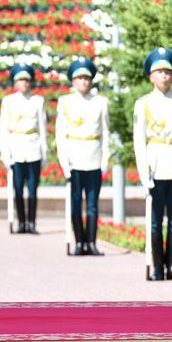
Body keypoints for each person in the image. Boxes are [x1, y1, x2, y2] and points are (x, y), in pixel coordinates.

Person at [133, 47, 172, 281]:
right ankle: (158, 266)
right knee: (156, 220)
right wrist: (143, 173)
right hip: (156, 165)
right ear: (151, 76)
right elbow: (140, 141)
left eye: (167, 72)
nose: (164, 76)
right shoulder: (144, 104)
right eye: (159, 72)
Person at [56, 56, 111, 256]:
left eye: (86, 78)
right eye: (79, 78)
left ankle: (92, 242)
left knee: (92, 205)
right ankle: (79, 242)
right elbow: (60, 134)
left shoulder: (101, 102)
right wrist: (64, 162)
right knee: (75, 203)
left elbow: (105, 133)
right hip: (75, 158)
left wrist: (105, 160)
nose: (83, 82)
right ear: (73, 81)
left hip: (93, 156)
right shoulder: (65, 102)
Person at [0, 63, 48, 234]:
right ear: (15, 83)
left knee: (33, 189)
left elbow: (42, 129)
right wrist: (5, 153)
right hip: (16, 148)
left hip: (33, 148)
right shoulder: (9, 101)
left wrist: (44, 152)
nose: (24, 83)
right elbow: (4, 129)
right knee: (18, 189)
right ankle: (21, 222)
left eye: (27, 80)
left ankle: (32, 223)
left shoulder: (38, 101)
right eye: (20, 80)